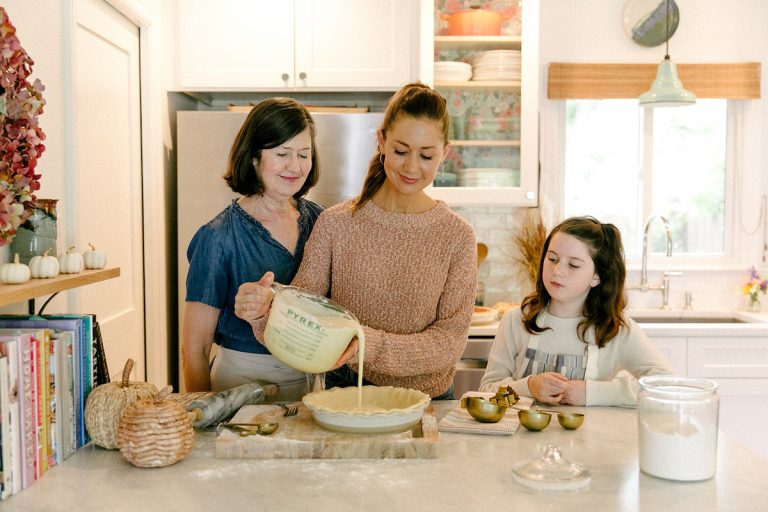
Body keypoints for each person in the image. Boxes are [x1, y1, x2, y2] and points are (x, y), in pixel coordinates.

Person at [235, 82, 477, 400]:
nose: (411, 166)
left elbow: (448, 343)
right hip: (345, 397)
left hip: (426, 403)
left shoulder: (457, 237)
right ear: (381, 141)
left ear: (444, 154)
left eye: (426, 155)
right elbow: (302, 317)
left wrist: (365, 343)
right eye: (401, 151)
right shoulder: (336, 224)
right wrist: (264, 312)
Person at [182, 97, 325, 400]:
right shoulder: (218, 237)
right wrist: (203, 415)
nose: (295, 166)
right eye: (282, 153)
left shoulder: (321, 222)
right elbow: (195, 348)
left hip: (310, 387)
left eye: (304, 154)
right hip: (239, 386)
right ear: (254, 157)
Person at [479, 216, 674, 406]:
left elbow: (666, 386)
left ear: (597, 276)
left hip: (591, 438)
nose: (557, 271)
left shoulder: (615, 329)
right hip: (520, 438)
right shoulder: (516, 320)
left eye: (573, 265)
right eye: (552, 258)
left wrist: (592, 393)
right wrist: (529, 387)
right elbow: (487, 389)